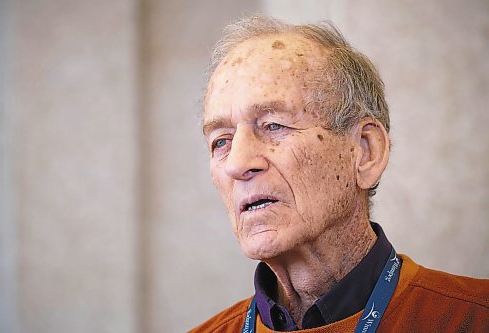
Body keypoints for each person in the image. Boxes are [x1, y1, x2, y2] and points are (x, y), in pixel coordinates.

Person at [190, 15, 488, 333]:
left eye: (274, 125)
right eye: (221, 141)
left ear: (365, 152)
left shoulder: (474, 317)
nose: (237, 163)